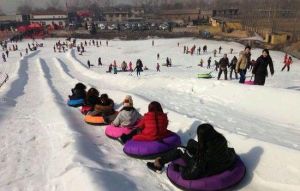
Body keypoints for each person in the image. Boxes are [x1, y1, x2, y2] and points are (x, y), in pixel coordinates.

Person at [147, 124, 237, 180]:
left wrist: (181, 168)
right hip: (214, 160)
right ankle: (188, 149)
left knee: (180, 149)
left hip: (207, 165)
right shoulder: (220, 139)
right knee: (191, 142)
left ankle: (159, 163)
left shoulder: (201, 157)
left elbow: (188, 175)